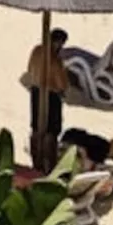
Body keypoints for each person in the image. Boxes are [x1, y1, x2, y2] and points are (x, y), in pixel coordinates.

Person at [26, 28, 70, 166]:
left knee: (36, 127)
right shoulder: (55, 60)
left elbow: (29, 69)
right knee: (52, 130)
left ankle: (36, 160)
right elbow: (61, 84)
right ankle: (49, 162)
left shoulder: (37, 51)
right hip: (51, 94)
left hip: (35, 91)